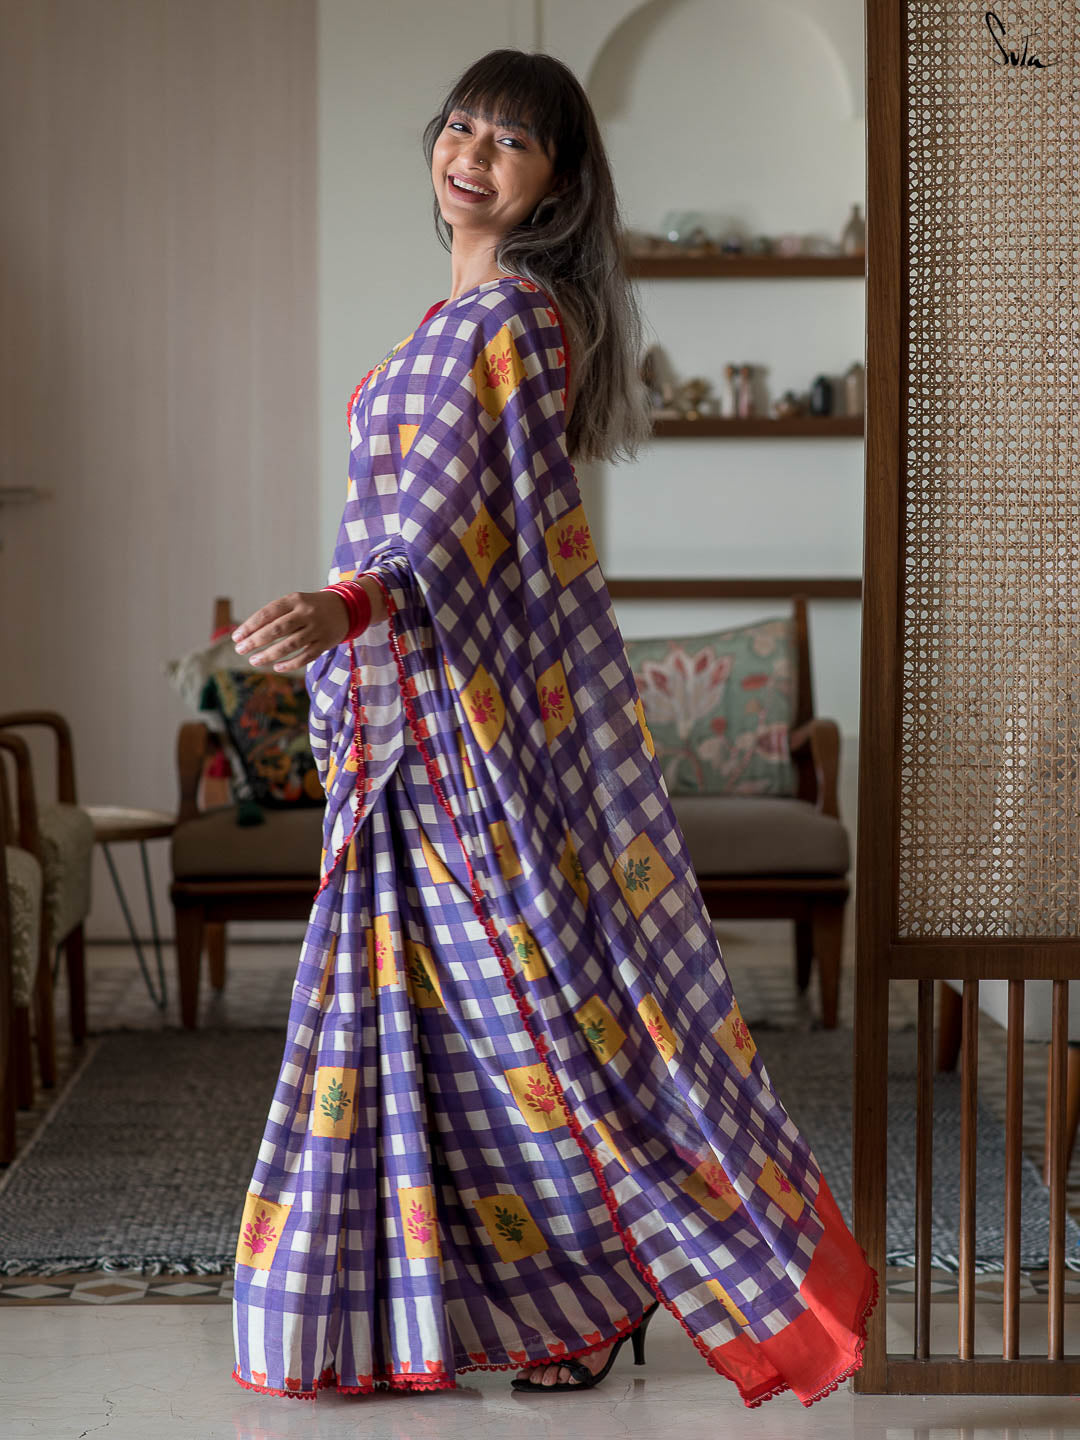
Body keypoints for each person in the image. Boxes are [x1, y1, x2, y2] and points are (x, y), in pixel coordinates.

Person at [228, 47, 876, 1404]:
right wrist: (352, 627)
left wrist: (348, 606)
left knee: (526, 1018)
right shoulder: (442, 322)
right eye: (461, 126)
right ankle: (491, 1302)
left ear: (558, 183)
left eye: (511, 140)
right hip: (402, 731)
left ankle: (618, 1281)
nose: (472, 154)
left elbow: (462, 525)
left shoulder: (520, 319)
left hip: (468, 733)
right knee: (430, 1025)